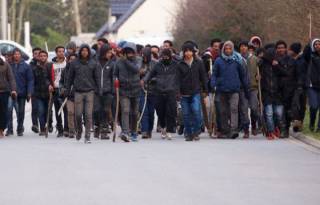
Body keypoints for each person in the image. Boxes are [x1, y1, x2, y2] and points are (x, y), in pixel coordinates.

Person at [211, 41, 249, 139]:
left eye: (230, 48)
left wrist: (246, 89)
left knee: (234, 110)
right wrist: (213, 83)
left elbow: (243, 76)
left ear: (232, 49)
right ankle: (225, 130)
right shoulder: (218, 61)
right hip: (221, 89)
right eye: (226, 49)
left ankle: (233, 130)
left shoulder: (237, 61)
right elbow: (214, 74)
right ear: (223, 49)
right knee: (223, 111)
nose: (228, 50)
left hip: (234, 89)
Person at [142, 49, 178, 140]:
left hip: (171, 91)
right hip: (159, 91)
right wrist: (144, 80)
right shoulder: (158, 65)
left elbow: (181, 76)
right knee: (160, 111)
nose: (165, 58)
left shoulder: (175, 65)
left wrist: (178, 89)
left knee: (171, 112)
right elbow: (150, 74)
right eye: (163, 56)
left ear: (170, 56)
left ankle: (169, 130)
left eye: (167, 56)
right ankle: (163, 127)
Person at [67, 44, 99, 144]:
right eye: (83, 50)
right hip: (78, 92)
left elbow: (97, 77)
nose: (84, 52)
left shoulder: (93, 63)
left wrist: (98, 89)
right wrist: (68, 89)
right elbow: (70, 77)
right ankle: (79, 131)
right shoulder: (74, 63)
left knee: (88, 115)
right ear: (80, 52)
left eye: (86, 51)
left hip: (90, 91)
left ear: (89, 52)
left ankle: (87, 136)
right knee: (78, 114)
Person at [176, 41, 208, 141]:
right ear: (183, 52)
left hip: (196, 91)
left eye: (190, 51)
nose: (188, 53)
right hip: (183, 93)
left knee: (196, 111)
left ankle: (196, 131)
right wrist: (177, 92)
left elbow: (203, 77)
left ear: (193, 52)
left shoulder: (199, 63)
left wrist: (206, 90)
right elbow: (176, 80)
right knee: (186, 114)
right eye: (186, 51)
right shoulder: (179, 64)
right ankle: (189, 133)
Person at [113, 42, 142, 142]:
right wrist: (115, 80)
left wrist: (126, 61)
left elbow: (136, 69)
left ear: (134, 52)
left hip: (136, 89)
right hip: (123, 90)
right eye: (127, 51)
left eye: (131, 52)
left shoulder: (138, 60)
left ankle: (134, 131)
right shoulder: (118, 62)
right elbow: (114, 74)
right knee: (125, 110)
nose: (129, 54)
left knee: (134, 112)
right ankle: (125, 131)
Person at [259, 48, 285, 140]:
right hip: (266, 92)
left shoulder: (278, 62)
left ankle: (277, 128)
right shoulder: (262, 64)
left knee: (277, 113)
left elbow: (284, 73)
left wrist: (277, 66)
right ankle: (270, 131)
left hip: (277, 93)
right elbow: (257, 73)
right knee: (269, 113)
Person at [6, 48, 34, 136]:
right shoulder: (9, 65)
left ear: (20, 55)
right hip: (10, 92)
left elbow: (30, 80)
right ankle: (9, 129)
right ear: (13, 55)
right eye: (15, 54)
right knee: (9, 110)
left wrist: (29, 92)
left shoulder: (26, 66)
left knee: (20, 111)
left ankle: (20, 128)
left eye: (18, 54)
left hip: (22, 93)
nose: (16, 55)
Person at [274, 40, 298, 138]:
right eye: (279, 48)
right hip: (276, 89)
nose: (281, 50)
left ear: (286, 49)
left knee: (287, 110)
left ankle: (286, 130)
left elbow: (289, 73)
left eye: (282, 47)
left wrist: (277, 66)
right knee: (278, 111)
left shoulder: (291, 60)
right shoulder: (273, 59)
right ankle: (280, 129)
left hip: (289, 89)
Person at [93, 44, 115, 140]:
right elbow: (91, 76)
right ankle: (97, 126)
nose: (110, 54)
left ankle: (104, 131)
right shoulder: (95, 62)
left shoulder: (112, 63)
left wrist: (112, 90)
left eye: (111, 52)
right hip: (96, 91)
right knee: (97, 110)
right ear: (104, 52)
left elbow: (113, 77)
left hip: (108, 91)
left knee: (106, 110)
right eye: (109, 52)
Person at [33, 50, 54, 136]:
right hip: (38, 93)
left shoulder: (51, 66)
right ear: (38, 57)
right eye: (41, 56)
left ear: (47, 57)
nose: (42, 57)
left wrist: (52, 86)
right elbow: (33, 81)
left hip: (49, 92)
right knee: (40, 111)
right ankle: (42, 128)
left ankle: (49, 124)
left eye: (44, 56)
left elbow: (53, 78)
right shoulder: (35, 68)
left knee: (48, 111)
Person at [138, 47, 157, 139]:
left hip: (153, 91)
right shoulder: (139, 63)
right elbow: (135, 74)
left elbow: (158, 77)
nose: (144, 57)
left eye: (146, 56)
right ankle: (144, 131)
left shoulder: (155, 64)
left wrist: (149, 79)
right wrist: (139, 74)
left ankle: (149, 129)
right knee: (143, 111)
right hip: (141, 90)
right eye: (143, 55)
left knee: (151, 112)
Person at [289, 43, 308, 132]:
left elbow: (302, 73)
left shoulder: (302, 60)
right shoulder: (291, 59)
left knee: (302, 105)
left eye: (291, 50)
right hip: (293, 86)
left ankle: (299, 122)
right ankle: (296, 123)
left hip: (301, 85)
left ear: (294, 50)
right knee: (295, 105)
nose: (289, 51)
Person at [60, 53, 77, 138]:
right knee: (70, 112)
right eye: (71, 59)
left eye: (74, 59)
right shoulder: (64, 71)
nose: (72, 61)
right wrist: (62, 88)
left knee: (78, 113)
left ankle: (77, 128)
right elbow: (61, 82)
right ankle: (71, 130)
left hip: (79, 94)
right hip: (69, 95)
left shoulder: (80, 69)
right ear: (68, 60)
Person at [52, 46, 68, 137]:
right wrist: (50, 85)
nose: (61, 53)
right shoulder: (52, 64)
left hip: (64, 89)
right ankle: (60, 129)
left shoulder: (67, 63)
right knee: (57, 110)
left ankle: (66, 129)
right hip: (55, 88)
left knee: (66, 110)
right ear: (56, 53)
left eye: (63, 51)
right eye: (59, 51)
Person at [0, 55, 17, 138]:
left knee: (3, 112)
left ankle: (1, 129)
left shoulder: (5, 64)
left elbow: (11, 78)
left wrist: (13, 89)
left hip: (4, 92)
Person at [306, 38, 320, 132]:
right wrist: (308, 45)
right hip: (312, 86)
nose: (317, 46)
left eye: (319, 44)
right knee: (314, 106)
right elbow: (305, 54)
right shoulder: (310, 56)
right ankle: (311, 123)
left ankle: (319, 127)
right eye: (315, 44)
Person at [30, 47, 42, 133]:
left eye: (39, 53)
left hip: (44, 89)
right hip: (34, 89)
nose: (37, 55)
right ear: (33, 55)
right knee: (35, 108)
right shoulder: (30, 65)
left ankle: (46, 125)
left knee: (43, 109)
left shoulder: (46, 64)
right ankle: (35, 125)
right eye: (35, 53)